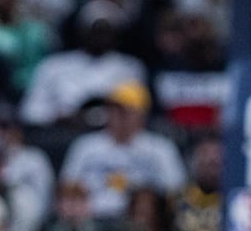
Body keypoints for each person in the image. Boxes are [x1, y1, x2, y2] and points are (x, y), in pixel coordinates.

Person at [58, 82, 186, 220]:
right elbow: (67, 187)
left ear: (141, 114)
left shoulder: (160, 148)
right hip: (93, 218)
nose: (118, 115)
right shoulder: (86, 146)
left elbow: (175, 189)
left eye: (125, 111)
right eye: (113, 109)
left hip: (142, 220)